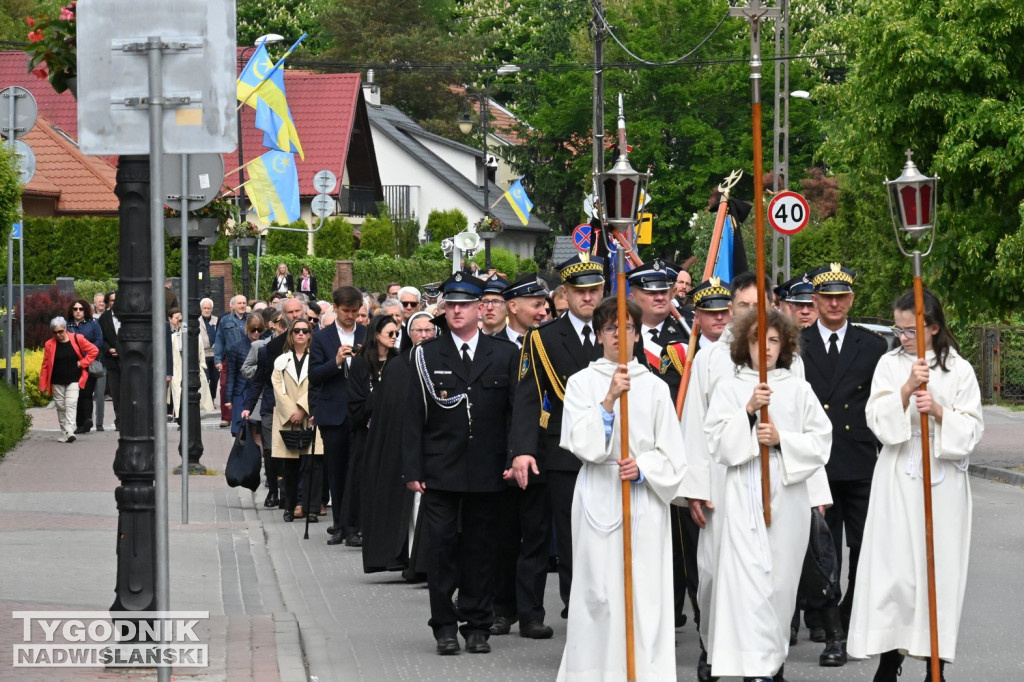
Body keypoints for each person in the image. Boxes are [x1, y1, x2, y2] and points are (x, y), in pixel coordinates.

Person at [847, 289, 984, 682]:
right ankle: (890, 656)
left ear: (934, 328)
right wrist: (906, 389)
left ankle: (935, 662)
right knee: (896, 572)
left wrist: (939, 411)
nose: (903, 337)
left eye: (910, 331)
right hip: (899, 474)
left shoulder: (960, 370)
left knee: (937, 571)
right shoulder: (889, 365)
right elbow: (875, 416)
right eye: (899, 329)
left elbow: (972, 428)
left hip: (942, 482)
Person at [556, 297, 687, 681]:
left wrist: (644, 466)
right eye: (611, 328)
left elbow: (674, 456)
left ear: (637, 332)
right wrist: (609, 401)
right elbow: (580, 442)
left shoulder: (656, 388)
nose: (619, 335)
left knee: (642, 592)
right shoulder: (581, 384)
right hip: (599, 490)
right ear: (599, 336)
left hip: (643, 499)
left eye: (626, 327)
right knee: (598, 592)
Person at [702, 308, 832, 681]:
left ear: (785, 345)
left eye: (774, 340)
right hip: (744, 491)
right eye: (758, 339)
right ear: (746, 344)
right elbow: (717, 444)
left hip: (786, 494)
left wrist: (781, 441)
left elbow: (821, 441)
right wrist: (747, 412)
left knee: (779, 584)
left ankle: (772, 662)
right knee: (747, 583)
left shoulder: (798, 388)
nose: (766, 348)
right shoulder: (731, 388)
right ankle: (752, 667)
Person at [403, 271, 520, 656]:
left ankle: (477, 625)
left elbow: (515, 413)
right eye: (450, 304)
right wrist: (414, 469)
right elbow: (413, 416)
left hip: (487, 470)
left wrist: (514, 457)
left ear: (480, 308)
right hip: (441, 470)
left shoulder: (503, 353)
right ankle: (444, 626)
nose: (456, 311)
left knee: (481, 551)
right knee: (441, 552)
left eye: (465, 304)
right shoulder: (427, 353)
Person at [508, 254, 608, 622]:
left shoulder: (617, 332)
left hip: (612, 450)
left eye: (594, 290)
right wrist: (522, 451)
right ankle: (573, 609)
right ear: (564, 294)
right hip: (564, 451)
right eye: (579, 292)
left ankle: (603, 610)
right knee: (568, 538)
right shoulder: (543, 339)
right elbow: (528, 396)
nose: (588, 298)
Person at [801, 263, 888, 639]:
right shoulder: (797, 342)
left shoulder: (871, 345)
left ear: (851, 300)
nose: (834, 304)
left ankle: (852, 611)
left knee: (864, 543)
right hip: (818, 459)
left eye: (841, 297)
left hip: (859, 458)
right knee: (823, 546)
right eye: (827, 297)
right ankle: (824, 617)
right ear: (815, 300)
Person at [627, 259, 694, 631]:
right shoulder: (620, 335)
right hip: (633, 455)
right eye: (649, 291)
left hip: (673, 453)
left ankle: (671, 616)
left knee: (680, 544)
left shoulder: (688, 336)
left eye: (664, 291)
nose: (659, 297)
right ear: (633, 295)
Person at [361, 310, 434, 575]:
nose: (424, 335)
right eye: (418, 331)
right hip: (402, 449)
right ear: (410, 334)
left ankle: (425, 562)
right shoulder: (397, 366)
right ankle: (408, 558)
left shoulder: (441, 361)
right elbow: (387, 414)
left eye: (429, 330)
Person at [310, 286, 367, 546]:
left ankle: (353, 525)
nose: (350, 316)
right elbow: (315, 375)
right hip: (332, 413)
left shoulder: (366, 334)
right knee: (336, 470)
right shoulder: (322, 338)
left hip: (361, 413)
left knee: (357, 470)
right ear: (335, 308)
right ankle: (340, 525)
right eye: (346, 311)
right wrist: (335, 361)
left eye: (355, 311)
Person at [343, 314, 400, 548]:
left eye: (397, 334)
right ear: (377, 335)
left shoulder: (398, 360)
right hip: (365, 430)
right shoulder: (361, 362)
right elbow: (356, 400)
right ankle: (354, 526)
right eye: (390, 334)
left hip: (392, 429)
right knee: (360, 476)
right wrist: (377, 394)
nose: (395, 338)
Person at [271, 318, 325, 522]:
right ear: (291, 335)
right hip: (288, 418)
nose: (300, 334)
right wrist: (291, 412)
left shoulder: (317, 358)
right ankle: (290, 505)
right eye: (296, 331)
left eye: (305, 331)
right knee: (290, 465)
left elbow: (319, 384)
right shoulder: (282, 360)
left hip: (311, 415)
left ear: (310, 335)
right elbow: (277, 387)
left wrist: (303, 408)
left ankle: (311, 507)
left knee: (312, 464)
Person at [39, 316, 99, 443]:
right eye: (55, 332)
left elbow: (94, 350)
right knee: (61, 407)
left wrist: (83, 363)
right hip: (56, 380)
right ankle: (65, 431)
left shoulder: (78, 338)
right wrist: (43, 385)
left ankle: (70, 431)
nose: (58, 335)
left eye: (60, 331)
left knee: (71, 404)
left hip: (74, 378)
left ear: (66, 329)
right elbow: (45, 365)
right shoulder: (49, 344)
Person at [66, 298, 103, 434]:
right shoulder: (67, 325)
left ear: (85, 310)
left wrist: (89, 352)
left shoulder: (92, 324)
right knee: (75, 394)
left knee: (86, 393)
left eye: (81, 309)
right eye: (75, 309)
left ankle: (87, 420)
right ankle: (78, 423)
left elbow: (99, 340)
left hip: (89, 363)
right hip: (73, 364)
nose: (78, 312)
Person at [226, 314, 264, 435]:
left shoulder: (266, 345)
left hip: (259, 390)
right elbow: (231, 373)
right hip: (241, 391)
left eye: (259, 330)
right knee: (240, 430)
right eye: (253, 329)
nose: (256, 333)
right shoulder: (236, 347)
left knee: (257, 428)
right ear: (247, 329)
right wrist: (228, 398)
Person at [215, 295, 249, 427]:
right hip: (229, 359)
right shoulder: (225, 321)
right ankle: (226, 417)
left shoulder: (251, 319)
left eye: (244, 303)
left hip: (246, 358)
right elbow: (219, 340)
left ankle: (243, 413)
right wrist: (218, 359)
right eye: (239, 303)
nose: (242, 306)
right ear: (233, 305)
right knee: (224, 386)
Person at [97, 291, 122, 430]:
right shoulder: (104, 318)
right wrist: (109, 349)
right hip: (112, 362)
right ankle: (119, 420)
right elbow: (101, 339)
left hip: (128, 361)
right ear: (108, 303)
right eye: (112, 300)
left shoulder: (127, 317)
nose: (115, 302)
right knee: (116, 392)